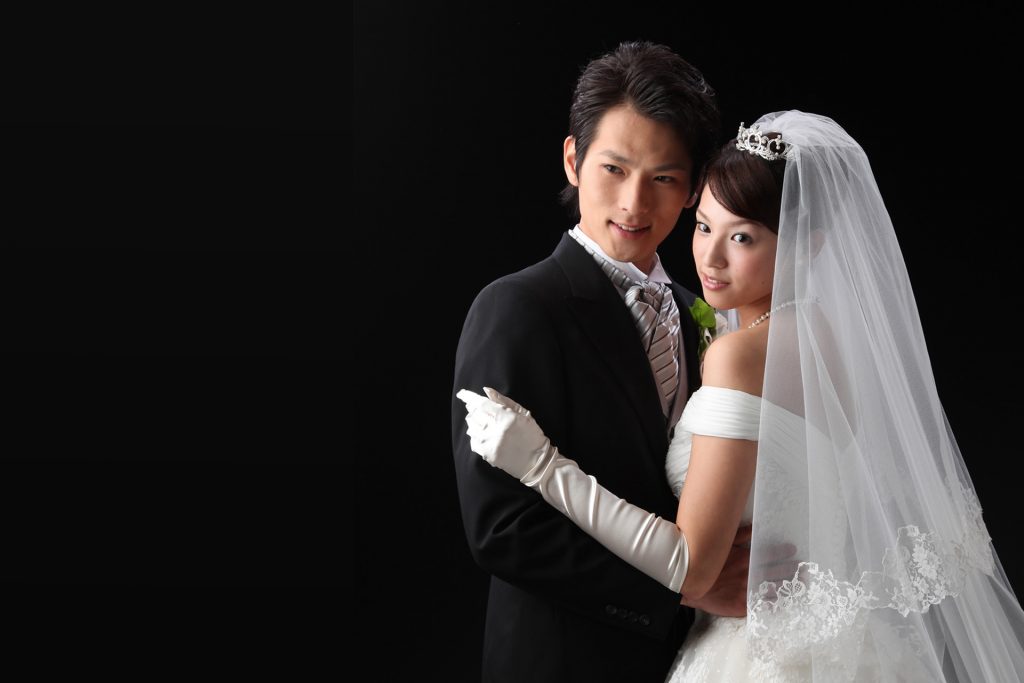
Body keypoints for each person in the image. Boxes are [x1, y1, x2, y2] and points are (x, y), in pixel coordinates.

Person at [459, 111, 1024, 681]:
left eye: (742, 237)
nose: (710, 257)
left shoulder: (729, 345)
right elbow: (502, 530)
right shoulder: (826, 343)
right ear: (573, 161)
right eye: (705, 228)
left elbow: (693, 565)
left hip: (754, 645)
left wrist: (542, 465)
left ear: (803, 244)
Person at [450, 41, 749, 683]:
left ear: (693, 189)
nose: (635, 203)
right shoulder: (517, 307)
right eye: (614, 169)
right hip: (561, 659)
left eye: (664, 178)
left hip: (689, 658)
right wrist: (679, 593)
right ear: (573, 160)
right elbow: (501, 527)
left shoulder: (703, 314)